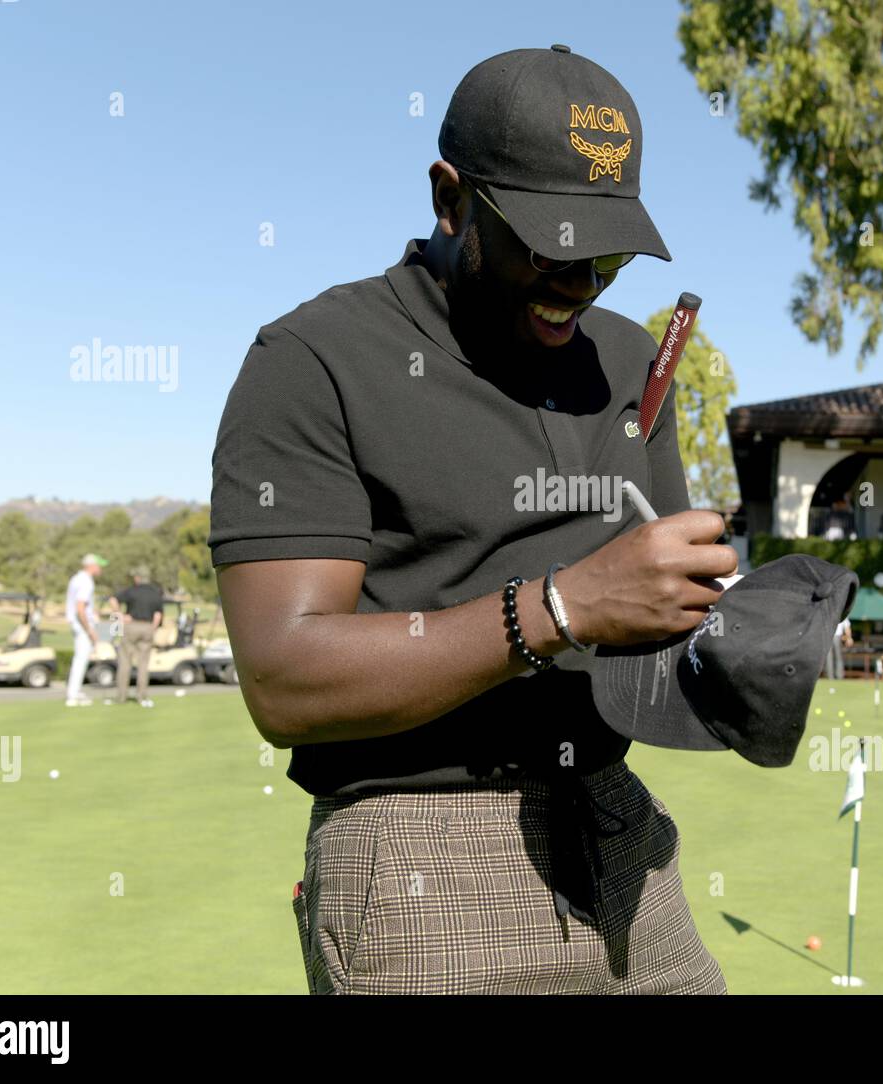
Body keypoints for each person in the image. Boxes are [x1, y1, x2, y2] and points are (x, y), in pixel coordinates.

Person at [209, 46, 735, 995]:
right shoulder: (316, 359)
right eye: (550, 245)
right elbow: (284, 682)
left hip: (621, 834)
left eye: (607, 254)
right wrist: (560, 609)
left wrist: (741, 646)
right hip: (419, 854)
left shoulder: (627, 362)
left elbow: (656, 640)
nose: (579, 282)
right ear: (450, 200)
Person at [105, 566, 163, 708]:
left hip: (131, 626)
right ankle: (142, 696)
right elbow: (158, 615)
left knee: (125, 662)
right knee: (143, 664)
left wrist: (120, 615)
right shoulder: (155, 592)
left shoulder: (132, 590)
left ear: (138, 578)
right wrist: (152, 629)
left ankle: (121, 696)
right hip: (148, 627)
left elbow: (112, 600)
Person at [63, 553, 107, 707]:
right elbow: (80, 608)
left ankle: (75, 691)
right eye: (99, 565)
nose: (100, 568)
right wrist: (90, 630)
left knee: (81, 658)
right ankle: (73, 695)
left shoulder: (76, 578)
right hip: (82, 626)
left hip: (78, 624)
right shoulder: (86, 582)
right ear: (92, 566)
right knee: (81, 659)